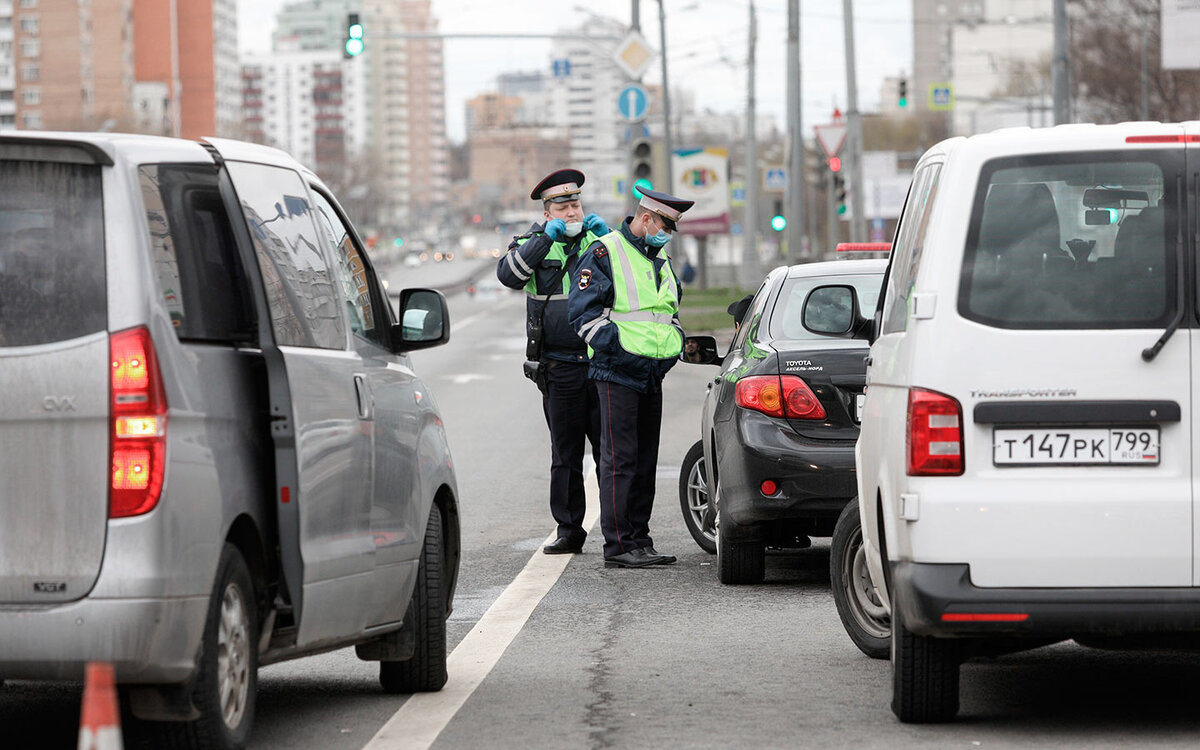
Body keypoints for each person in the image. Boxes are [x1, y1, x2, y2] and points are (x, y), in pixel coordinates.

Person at [568, 188, 694, 568]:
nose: (668, 233)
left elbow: (669, 312)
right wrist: (618, 351)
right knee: (619, 459)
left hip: (651, 372)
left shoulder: (661, 260)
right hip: (616, 372)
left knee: (644, 460)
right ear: (646, 219)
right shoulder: (605, 252)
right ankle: (619, 544)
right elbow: (583, 314)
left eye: (672, 227)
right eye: (665, 225)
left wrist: (672, 347)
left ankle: (640, 539)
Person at [497, 169, 610, 555]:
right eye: (562, 207)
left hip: (600, 364)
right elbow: (508, 276)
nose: (571, 212)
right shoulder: (536, 243)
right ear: (547, 212)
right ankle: (569, 529)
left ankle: (617, 532)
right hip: (559, 366)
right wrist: (545, 239)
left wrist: (609, 236)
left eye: (575, 205)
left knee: (609, 452)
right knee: (565, 455)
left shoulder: (599, 241)